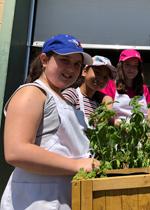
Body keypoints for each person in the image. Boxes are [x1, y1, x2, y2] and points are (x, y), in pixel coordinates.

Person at [0, 34, 101, 210]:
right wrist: (77, 165)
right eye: (65, 60)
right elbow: (16, 151)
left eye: (77, 64)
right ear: (45, 60)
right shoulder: (32, 93)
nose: (71, 68)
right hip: (35, 202)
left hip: (62, 200)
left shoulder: (63, 100)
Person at [100, 49, 150, 122]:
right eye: (128, 64)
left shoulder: (144, 89)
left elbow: (149, 117)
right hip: (118, 131)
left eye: (135, 66)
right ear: (121, 66)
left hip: (142, 132)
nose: (131, 69)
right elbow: (107, 114)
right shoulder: (110, 85)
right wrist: (122, 126)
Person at [62, 55, 114, 127]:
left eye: (105, 77)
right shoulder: (71, 94)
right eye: (97, 72)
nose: (101, 80)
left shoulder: (98, 104)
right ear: (84, 71)